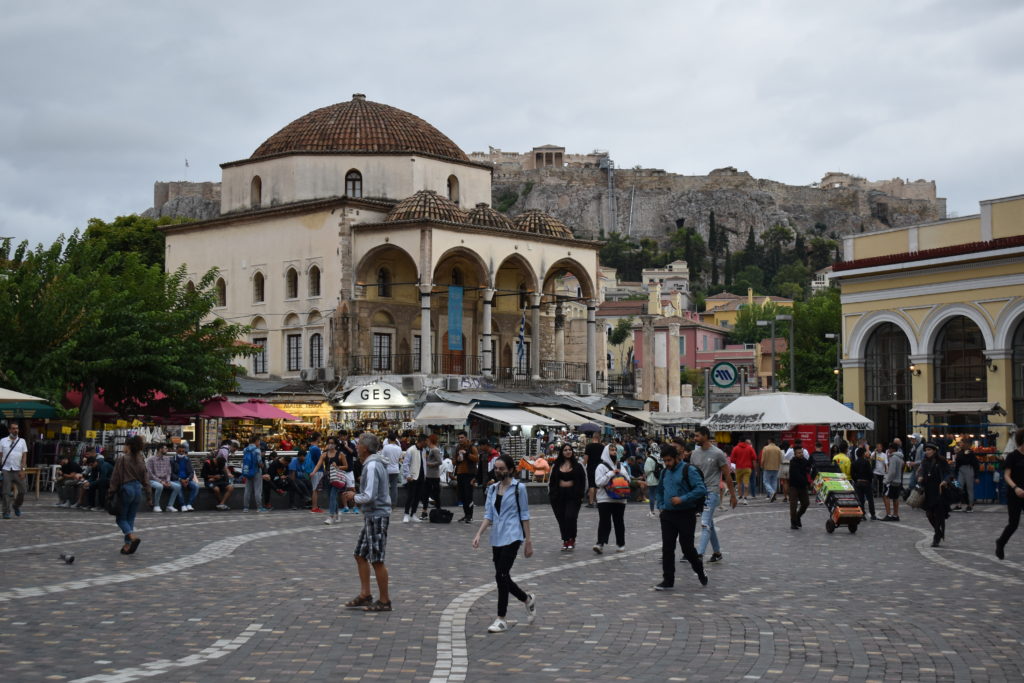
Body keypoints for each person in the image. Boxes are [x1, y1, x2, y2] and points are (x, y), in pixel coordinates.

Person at [473, 453, 536, 633]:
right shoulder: (492, 490)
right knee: (503, 576)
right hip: (497, 536)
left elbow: (524, 514)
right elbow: (489, 515)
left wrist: (528, 540)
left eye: (501, 469)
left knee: (501, 575)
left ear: (509, 470)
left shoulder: (519, 488)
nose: (498, 472)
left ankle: (501, 618)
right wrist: (478, 534)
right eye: (496, 468)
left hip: (513, 535)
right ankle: (527, 599)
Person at [345, 432, 393, 612]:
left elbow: (369, 495)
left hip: (377, 515)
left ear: (365, 448)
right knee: (360, 554)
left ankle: (384, 600)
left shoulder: (372, 465)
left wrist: (353, 496)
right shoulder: (373, 463)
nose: (356, 447)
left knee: (377, 559)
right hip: (372, 515)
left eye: (358, 445)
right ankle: (365, 594)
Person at [654, 442, 709, 590]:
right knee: (667, 548)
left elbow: (701, 489)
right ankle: (668, 580)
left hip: (686, 514)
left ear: (677, 457)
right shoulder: (664, 472)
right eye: (664, 461)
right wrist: (660, 505)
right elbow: (659, 490)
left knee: (687, 548)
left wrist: (682, 499)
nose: (667, 464)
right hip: (668, 515)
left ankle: (699, 570)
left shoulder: (688, 470)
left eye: (669, 460)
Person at [691, 426, 737, 562]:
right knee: (709, 522)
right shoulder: (694, 454)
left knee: (704, 523)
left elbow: (727, 475)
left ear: (705, 436)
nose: (695, 438)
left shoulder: (718, 453)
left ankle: (699, 554)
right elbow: (692, 475)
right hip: (699, 493)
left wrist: (733, 496)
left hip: (712, 492)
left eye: (697, 436)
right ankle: (717, 552)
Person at [109, 435, 150, 554]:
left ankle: (131, 537)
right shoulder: (141, 459)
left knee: (120, 518)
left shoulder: (123, 459)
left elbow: (115, 478)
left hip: (126, 489)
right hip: (138, 489)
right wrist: (148, 496)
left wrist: (110, 493)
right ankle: (127, 545)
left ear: (129, 446)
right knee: (130, 518)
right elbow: (146, 479)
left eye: (124, 445)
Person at [547, 443, 586, 550]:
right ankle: (565, 540)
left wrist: (581, 494)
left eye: (569, 449)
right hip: (558, 497)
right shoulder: (556, 465)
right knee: (561, 519)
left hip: (573, 496)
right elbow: (551, 481)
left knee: (570, 517)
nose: (568, 451)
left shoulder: (578, 465)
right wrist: (551, 494)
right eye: (565, 450)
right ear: (561, 452)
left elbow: (583, 481)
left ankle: (572, 538)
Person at [593, 443, 628, 554]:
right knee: (604, 521)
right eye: (611, 450)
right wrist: (611, 474)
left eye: (615, 450)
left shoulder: (621, 466)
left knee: (619, 522)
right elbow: (598, 482)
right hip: (604, 499)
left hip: (620, 499)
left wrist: (620, 475)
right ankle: (600, 543)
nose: (614, 452)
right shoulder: (601, 467)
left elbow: (628, 479)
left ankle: (621, 544)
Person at [996, 427, 1024, 560]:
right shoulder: (1013, 456)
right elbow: (1007, 475)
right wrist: (1016, 488)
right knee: (1013, 524)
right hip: (1015, 494)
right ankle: (1000, 543)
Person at [918, 442, 952, 547]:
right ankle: (938, 532)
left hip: (939, 490)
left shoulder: (941, 460)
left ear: (934, 451)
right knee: (929, 514)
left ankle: (936, 537)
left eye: (929, 450)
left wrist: (945, 480)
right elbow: (921, 472)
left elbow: (949, 473)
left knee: (938, 515)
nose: (927, 452)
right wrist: (920, 477)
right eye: (926, 450)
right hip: (928, 490)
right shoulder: (924, 461)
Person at [313, 441, 349, 524]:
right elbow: (318, 465)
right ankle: (337, 513)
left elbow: (346, 466)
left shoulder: (340, 454)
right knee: (330, 497)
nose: (330, 444)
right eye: (328, 442)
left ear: (335, 445)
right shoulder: (324, 454)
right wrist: (313, 472)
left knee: (333, 496)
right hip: (328, 477)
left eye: (332, 443)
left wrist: (337, 466)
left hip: (337, 478)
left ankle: (331, 516)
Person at [1, 423, 28, 519]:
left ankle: (16, 505)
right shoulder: (3, 441)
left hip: (18, 470)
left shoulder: (22, 441)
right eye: (13, 429)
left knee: (23, 491)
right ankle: (6, 512)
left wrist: (23, 469)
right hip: (6, 469)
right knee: (6, 492)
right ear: (9, 430)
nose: (15, 430)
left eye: (17, 428)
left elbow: (24, 456)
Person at [453, 431, 479, 523]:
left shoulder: (472, 447)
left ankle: (470, 516)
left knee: (468, 495)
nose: (460, 439)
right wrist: (457, 460)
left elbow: (476, 458)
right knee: (462, 495)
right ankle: (466, 514)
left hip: (469, 474)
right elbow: (453, 461)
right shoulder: (457, 448)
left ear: (466, 438)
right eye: (459, 438)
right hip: (460, 474)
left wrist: (467, 454)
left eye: (462, 437)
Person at [401, 434, 426, 523]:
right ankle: (406, 514)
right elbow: (405, 463)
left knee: (418, 496)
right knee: (410, 496)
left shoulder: (423, 450)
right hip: (413, 477)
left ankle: (413, 514)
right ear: (421, 441)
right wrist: (407, 475)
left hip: (421, 477)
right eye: (425, 442)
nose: (426, 444)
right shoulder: (411, 450)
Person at [788, 444, 812, 529]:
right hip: (794, 486)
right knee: (793, 505)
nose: (801, 454)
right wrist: (807, 482)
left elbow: (809, 470)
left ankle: (798, 516)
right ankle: (793, 522)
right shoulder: (793, 462)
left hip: (803, 486)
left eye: (801, 452)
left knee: (806, 503)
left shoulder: (805, 461)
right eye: (798, 453)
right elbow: (797, 475)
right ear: (795, 454)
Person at [239, 436, 265, 513]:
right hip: (256, 471)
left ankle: (246, 508)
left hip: (247, 471)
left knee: (247, 489)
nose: (259, 443)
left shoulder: (245, 449)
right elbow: (260, 462)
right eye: (259, 441)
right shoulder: (257, 450)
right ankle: (259, 507)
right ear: (256, 441)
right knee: (257, 490)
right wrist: (262, 466)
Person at [850, 447, 877, 520]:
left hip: (858, 483)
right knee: (870, 499)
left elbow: (852, 474)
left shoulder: (854, 463)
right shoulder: (866, 462)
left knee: (860, 499)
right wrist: (869, 480)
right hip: (866, 482)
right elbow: (870, 473)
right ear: (862, 454)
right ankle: (873, 514)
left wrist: (856, 480)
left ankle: (862, 514)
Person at [171, 443, 199, 511]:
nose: (181, 453)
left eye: (183, 451)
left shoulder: (187, 459)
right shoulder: (172, 460)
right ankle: (182, 505)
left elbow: (191, 472)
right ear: (176, 451)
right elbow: (171, 473)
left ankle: (189, 504)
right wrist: (180, 479)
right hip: (177, 479)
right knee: (178, 487)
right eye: (179, 451)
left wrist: (188, 479)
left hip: (187, 479)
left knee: (196, 486)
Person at [729, 437, 757, 504]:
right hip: (748, 468)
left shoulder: (735, 448)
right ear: (745, 441)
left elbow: (732, 459)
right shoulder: (750, 448)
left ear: (739, 441)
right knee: (746, 482)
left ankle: (740, 496)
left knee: (739, 483)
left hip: (739, 468)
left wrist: (738, 461)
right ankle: (745, 498)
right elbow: (754, 458)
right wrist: (754, 468)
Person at [953, 443, 979, 512]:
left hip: (969, 469)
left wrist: (976, 476)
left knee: (969, 488)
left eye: (962, 444)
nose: (961, 445)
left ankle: (970, 506)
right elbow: (957, 464)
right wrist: (955, 474)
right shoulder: (960, 453)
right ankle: (959, 505)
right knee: (958, 487)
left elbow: (976, 464)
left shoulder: (970, 453)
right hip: (961, 470)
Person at [881, 443, 904, 521]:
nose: (888, 450)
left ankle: (888, 514)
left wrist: (887, 480)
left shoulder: (893, 458)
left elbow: (892, 471)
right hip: (898, 480)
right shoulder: (900, 458)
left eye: (889, 449)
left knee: (885, 496)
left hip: (892, 481)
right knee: (895, 498)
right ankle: (895, 515)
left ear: (893, 449)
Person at [423, 433, 443, 515]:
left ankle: (437, 510)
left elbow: (440, 461)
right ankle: (426, 511)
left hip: (433, 475)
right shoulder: (431, 449)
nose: (426, 442)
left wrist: (430, 464)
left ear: (431, 441)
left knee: (434, 494)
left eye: (428, 440)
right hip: (430, 475)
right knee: (428, 493)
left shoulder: (435, 450)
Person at [584, 431, 604, 507]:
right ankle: (598, 502)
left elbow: (586, 458)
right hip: (600, 468)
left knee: (591, 485)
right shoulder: (602, 446)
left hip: (591, 467)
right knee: (598, 485)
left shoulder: (589, 446)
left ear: (593, 437)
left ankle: (591, 502)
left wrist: (583, 465)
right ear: (599, 438)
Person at [306, 434, 324, 513]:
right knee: (315, 489)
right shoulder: (316, 449)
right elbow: (319, 460)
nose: (321, 439)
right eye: (320, 437)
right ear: (317, 438)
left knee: (315, 489)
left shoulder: (311, 448)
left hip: (313, 470)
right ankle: (314, 507)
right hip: (317, 470)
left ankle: (315, 506)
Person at [760, 437, 782, 502]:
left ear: (769, 441)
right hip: (776, 467)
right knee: (774, 481)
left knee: (766, 481)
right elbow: (780, 459)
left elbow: (763, 458)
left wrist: (761, 465)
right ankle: (773, 495)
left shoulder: (765, 448)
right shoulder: (778, 449)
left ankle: (772, 492)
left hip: (767, 467)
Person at [644, 446, 663, 518]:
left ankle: (652, 511)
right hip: (660, 478)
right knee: (659, 495)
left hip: (652, 478)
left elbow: (647, 470)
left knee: (652, 495)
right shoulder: (660, 458)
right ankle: (661, 510)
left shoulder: (649, 459)